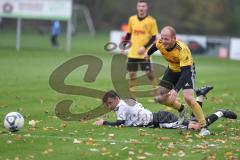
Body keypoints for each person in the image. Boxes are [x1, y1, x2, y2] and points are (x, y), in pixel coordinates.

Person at [144, 26, 210, 135]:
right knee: (160, 98)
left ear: (174, 38)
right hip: (171, 71)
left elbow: (185, 73)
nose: (164, 41)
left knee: (188, 98)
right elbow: (148, 53)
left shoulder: (182, 49)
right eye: (162, 38)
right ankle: (181, 109)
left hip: (186, 71)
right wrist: (147, 62)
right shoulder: (159, 43)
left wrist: (175, 90)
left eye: (167, 39)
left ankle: (204, 127)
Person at [94, 89, 237, 136]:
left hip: (161, 121)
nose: (109, 107)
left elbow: (120, 123)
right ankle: (200, 95)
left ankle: (220, 112)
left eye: (110, 103)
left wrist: (104, 122)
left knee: (198, 127)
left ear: (117, 99)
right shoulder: (125, 101)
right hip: (161, 116)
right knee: (194, 122)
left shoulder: (121, 106)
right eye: (107, 105)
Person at [123, 0, 159, 99]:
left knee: (149, 74)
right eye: (140, 6)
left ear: (146, 8)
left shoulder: (151, 21)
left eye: (143, 6)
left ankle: (156, 92)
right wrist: (124, 45)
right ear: (137, 7)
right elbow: (129, 33)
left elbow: (153, 37)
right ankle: (133, 97)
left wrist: (144, 47)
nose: (141, 8)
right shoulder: (132, 19)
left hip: (145, 53)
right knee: (132, 74)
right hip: (133, 53)